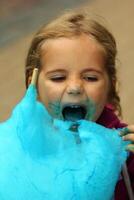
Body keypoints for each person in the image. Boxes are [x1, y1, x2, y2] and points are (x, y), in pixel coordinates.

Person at [24, 8, 134, 199]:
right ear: (32, 85)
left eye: (90, 77)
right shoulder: (21, 148)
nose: (75, 87)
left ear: (110, 85)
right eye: (58, 78)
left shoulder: (126, 151)